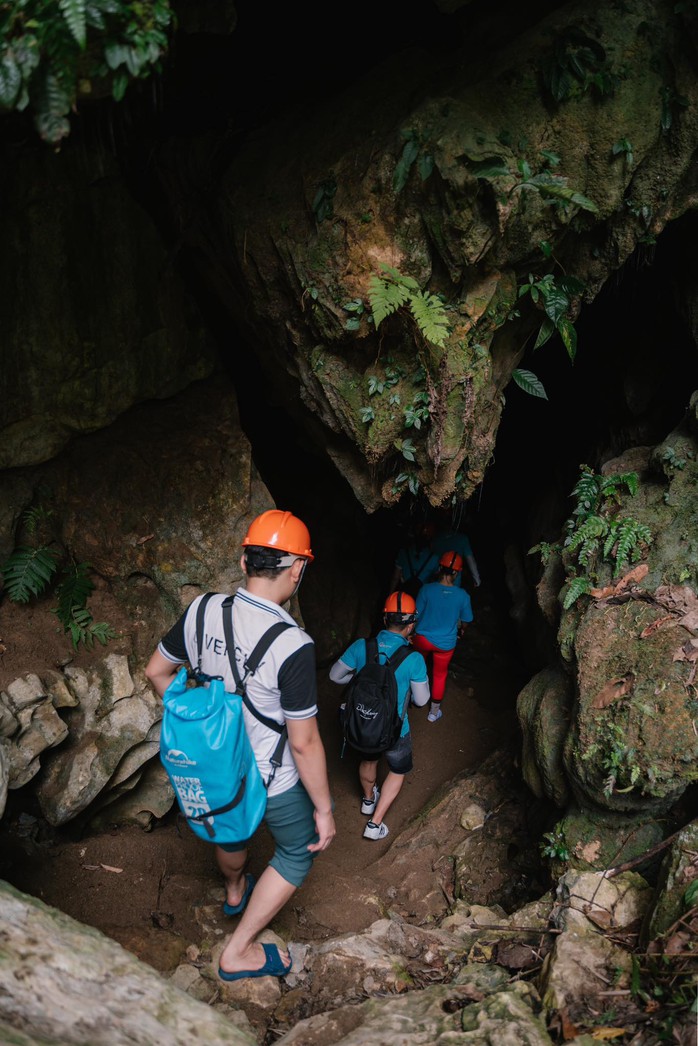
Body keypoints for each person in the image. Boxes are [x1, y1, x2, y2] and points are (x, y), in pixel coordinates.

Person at [145, 509, 336, 982]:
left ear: (245, 558)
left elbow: (157, 672)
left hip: (214, 769)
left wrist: (197, 717)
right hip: (271, 777)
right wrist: (325, 809)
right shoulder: (293, 645)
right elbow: (304, 741)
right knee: (296, 851)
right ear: (297, 569)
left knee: (230, 829)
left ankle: (234, 891)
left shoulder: (201, 609)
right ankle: (239, 950)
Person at [329, 591, 430, 841]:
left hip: (366, 722)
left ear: (385, 621)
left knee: (369, 760)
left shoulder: (361, 646)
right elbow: (422, 700)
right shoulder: (414, 658)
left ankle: (367, 800)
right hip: (397, 728)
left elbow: (334, 676)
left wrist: (361, 679)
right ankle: (374, 825)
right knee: (397, 770)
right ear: (411, 624)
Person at [412, 551, 474, 723]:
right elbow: (467, 620)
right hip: (445, 643)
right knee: (439, 674)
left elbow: (415, 615)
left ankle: (414, 698)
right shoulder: (463, 595)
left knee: (418, 667)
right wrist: (461, 630)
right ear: (457, 572)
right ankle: (433, 713)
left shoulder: (426, 589)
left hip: (422, 639)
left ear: (439, 568)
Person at [389, 521, 440, 599]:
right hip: (422, 598)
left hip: (404, 596)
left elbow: (395, 578)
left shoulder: (403, 552)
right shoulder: (434, 558)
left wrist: (390, 596)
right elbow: (436, 581)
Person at [430, 513, 481, 589]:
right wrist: (477, 579)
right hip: (454, 583)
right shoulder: (462, 539)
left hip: (437, 581)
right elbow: (470, 560)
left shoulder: (435, 539)